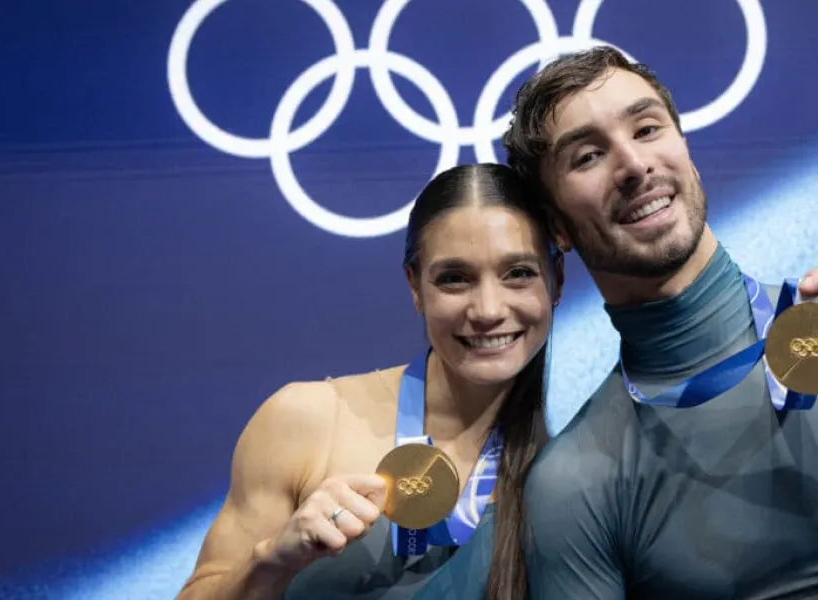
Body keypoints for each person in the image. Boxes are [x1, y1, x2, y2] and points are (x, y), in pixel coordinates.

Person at [416, 46, 818, 599]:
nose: (635, 165)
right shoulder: (577, 482)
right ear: (556, 226)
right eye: (587, 156)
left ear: (685, 150)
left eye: (647, 129)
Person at [174, 163, 563, 600]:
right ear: (415, 287)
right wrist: (273, 559)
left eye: (518, 273)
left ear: (557, 279)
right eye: (454, 279)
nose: (488, 309)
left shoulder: (575, 459)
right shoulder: (306, 421)